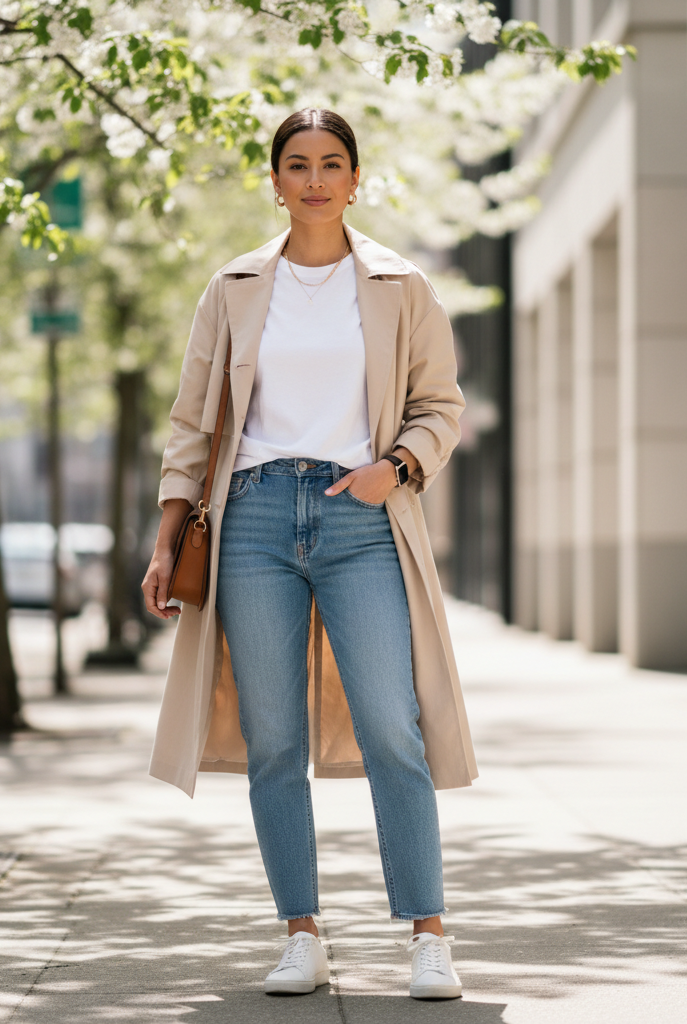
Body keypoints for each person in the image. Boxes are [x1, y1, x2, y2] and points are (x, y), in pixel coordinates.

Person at [141, 108, 478, 1000]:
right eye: (299, 164)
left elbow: (440, 406)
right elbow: (194, 422)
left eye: (333, 164)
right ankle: (301, 932)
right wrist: (169, 533)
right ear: (277, 180)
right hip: (250, 518)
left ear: (356, 179)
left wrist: (396, 468)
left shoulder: (403, 286)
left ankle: (429, 933)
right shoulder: (236, 285)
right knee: (274, 741)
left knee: (391, 725)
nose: (317, 179)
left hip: (360, 517)